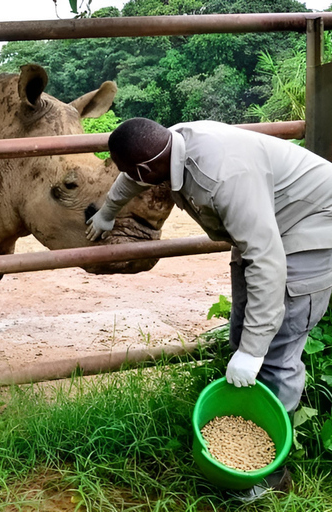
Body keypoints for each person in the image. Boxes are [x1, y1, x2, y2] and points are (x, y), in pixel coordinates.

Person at [86, 117, 332, 498]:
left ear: (145, 166)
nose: (130, 178)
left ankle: (269, 474)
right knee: (244, 331)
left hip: (313, 224)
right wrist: (108, 211)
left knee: (277, 349)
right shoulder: (166, 147)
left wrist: (253, 352)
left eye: (130, 172)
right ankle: (242, 441)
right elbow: (133, 176)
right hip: (265, 225)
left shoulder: (224, 178)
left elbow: (268, 261)